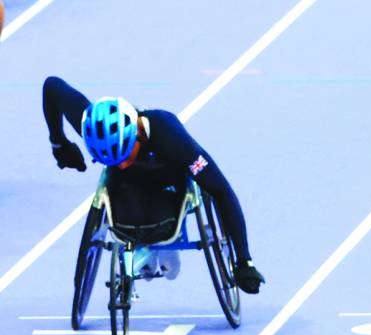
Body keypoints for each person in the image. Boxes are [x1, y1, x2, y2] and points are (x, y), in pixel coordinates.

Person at [42, 76, 265, 293]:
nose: (121, 164)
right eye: (111, 160)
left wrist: (244, 261)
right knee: (127, 221)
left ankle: (168, 246)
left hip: (169, 183)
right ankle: (147, 250)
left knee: (161, 223)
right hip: (128, 186)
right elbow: (52, 87)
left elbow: (220, 190)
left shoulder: (172, 138)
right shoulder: (97, 128)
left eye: (125, 155)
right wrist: (58, 142)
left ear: (136, 134)